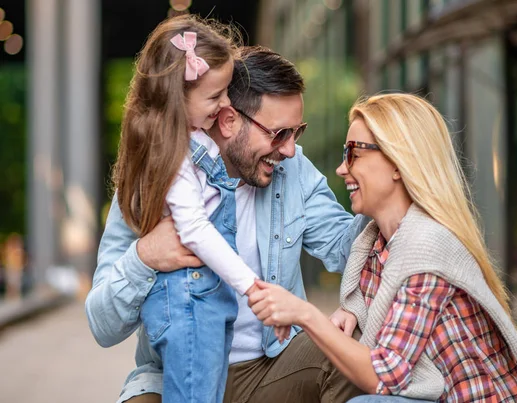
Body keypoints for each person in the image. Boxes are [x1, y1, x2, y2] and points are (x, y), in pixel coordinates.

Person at [86, 45, 369, 403]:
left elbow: (348, 250)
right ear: (228, 119)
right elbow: (102, 325)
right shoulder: (152, 180)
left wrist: (384, 195)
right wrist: (144, 256)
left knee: (351, 353)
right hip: (172, 371)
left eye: (297, 132)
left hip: (271, 367)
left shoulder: (293, 171)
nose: (290, 150)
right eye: (279, 133)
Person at [248, 93, 517, 402]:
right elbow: (379, 299)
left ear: (398, 163)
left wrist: (305, 314)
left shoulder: (427, 246)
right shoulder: (378, 241)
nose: (341, 170)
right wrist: (352, 310)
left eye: (352, 154)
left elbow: (385, 375)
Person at [109, 15, 292, 402]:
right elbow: (194, 228)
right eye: (215, 96)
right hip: (191, 301)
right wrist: (251, 286)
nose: (226, 103)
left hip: (204, 299)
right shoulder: (174, 157)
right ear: (176, 98)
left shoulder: (190, 140)